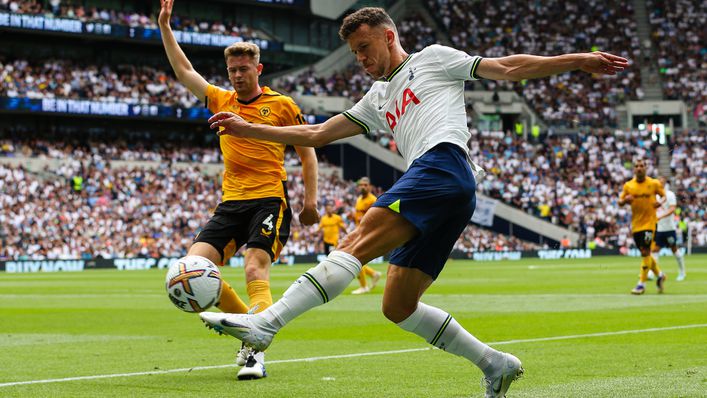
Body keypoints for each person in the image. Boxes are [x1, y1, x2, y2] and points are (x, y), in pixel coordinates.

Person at [200, 7, 628, 396]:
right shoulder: (378, 96)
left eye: (364, 47)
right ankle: (495, 364)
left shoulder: (433, 58)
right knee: (398, 306)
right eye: (353, 53)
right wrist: (248, 130)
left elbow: (508, 68)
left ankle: (265, 324)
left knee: (356, 240)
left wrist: (576, 60)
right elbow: (316, 134)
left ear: (388, 37)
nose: (360, 59)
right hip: (446, 189)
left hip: (442, 164)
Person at [158, 0, 319, 380]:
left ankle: (254, 350)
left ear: (258, 68)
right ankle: (252, 329)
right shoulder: (220, 98)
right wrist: (165, 25)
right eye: (232, 70)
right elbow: (183, 69)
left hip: (269, 198)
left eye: (243, 69)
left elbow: (308, 152)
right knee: (191, 270)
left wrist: (310, 202)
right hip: (230, 201)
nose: (236, 76)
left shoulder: (281, 105)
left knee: (253, 267)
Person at [618, 160, 665, 295]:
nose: (639, 168)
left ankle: (641, 284)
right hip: (636, 225)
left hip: (650, 223)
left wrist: (659, 203)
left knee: (645, 251)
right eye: (637, 166)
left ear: (646, 168)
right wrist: (625, 201)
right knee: (645, 253)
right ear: (634, 169)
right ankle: (660, 275)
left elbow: (664, 196)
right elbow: (620, 201)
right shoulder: (628, 185)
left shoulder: (653, 183)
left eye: (642, 166)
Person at [351, 177, 382, 294]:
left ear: (370, 187)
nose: (363, 187)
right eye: (361, 185)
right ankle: (373, 274)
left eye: (365, 185)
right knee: (356, 258)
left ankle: (364, 286)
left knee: (356, 258)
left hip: (368, 232)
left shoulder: (373, 200)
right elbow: (358, 216)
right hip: (359, 231)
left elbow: (377, 217)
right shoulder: (359, 199)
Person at [653, 177, 686, 281]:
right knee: (655, 250)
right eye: (658, 182)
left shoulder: (670, 194)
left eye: (661, 182)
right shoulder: (655, 196)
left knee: (674, 249)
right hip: (659, 229)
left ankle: (682, 272)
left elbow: (672, 209)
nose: (659, 184)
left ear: (665, 183)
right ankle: (652, 272)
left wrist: (660, 216)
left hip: (669, 229)